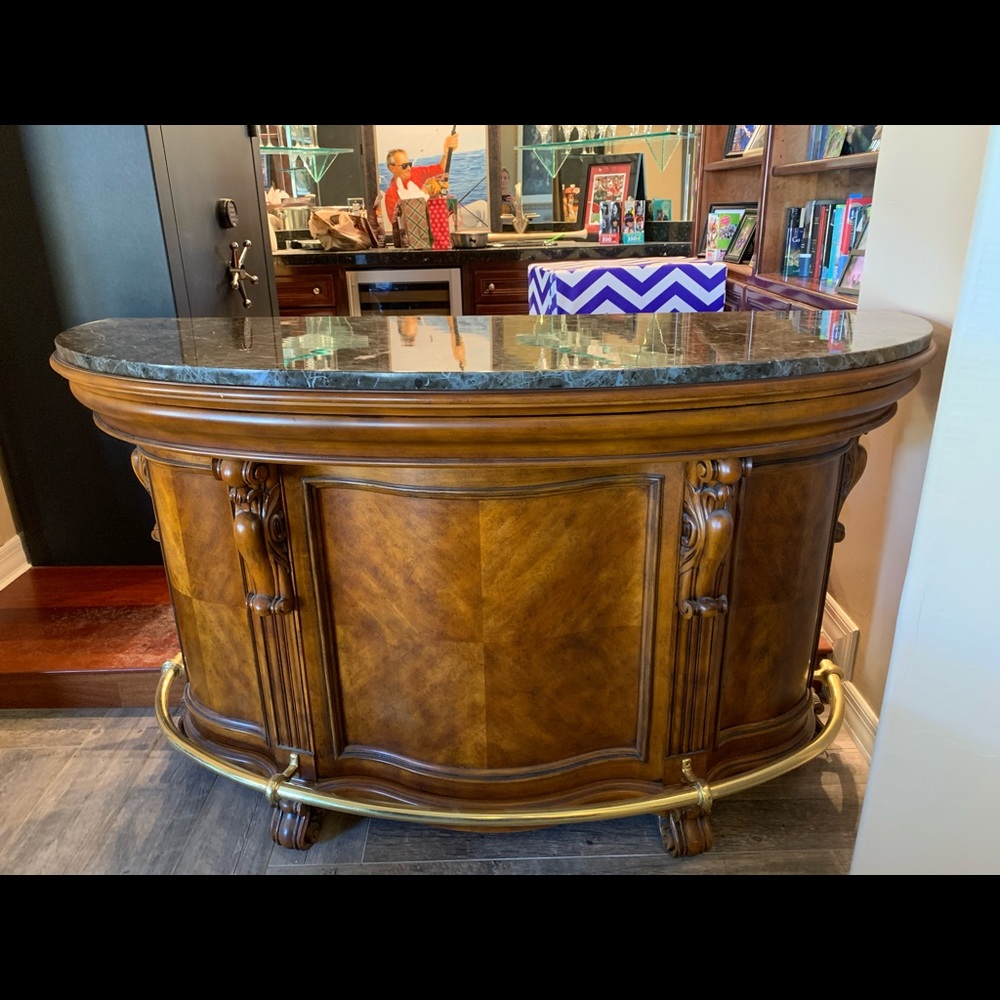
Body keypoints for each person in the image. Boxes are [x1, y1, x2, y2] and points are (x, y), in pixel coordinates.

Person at [382, 133, 460, 224]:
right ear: (392, 168)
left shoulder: (416, 172)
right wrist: (425, 191)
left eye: (409, 164)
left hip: (435, 224)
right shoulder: (390, 195)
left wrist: (446, 153)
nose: (409, 168)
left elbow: (440, 169)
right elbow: (399, 224)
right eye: (404, 166)